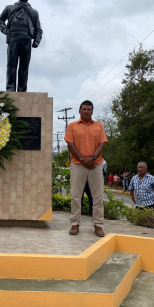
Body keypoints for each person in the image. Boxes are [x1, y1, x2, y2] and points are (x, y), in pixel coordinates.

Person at [64, 100, 108, 237]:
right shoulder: (72, 126)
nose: (86, 111)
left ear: (92, 111)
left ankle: (98, 225)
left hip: (95, 164)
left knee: (98, 197)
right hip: (78, 165)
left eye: (89, 109)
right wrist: (83, 160)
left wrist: (93, 159)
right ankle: (75, 224)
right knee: (76, 196)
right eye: (84, 109)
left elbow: (102, 144)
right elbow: (70, 145)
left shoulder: (99, 126)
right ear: (79, 111)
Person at [0, 0, 43, 92]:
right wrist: (5, 30)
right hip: (13, 37)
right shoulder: (9, 8)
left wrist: (36, 40)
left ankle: (22, 90)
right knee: (11, 65)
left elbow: (38, 28)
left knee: (24, 67)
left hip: (26, 38)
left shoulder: (34, 12)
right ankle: (10, 89)